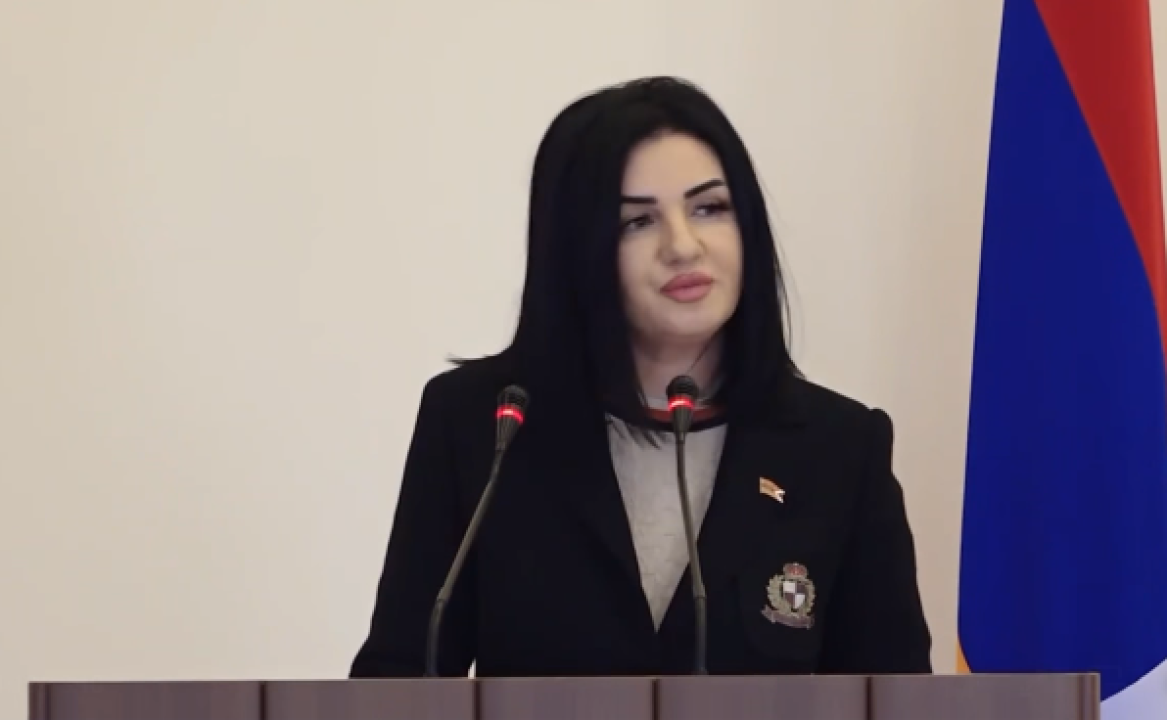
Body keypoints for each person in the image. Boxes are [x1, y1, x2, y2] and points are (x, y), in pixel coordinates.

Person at [349, 76, 932, 678]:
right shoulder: (486, 427)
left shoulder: (839, 448)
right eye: (637, 222)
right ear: (577, 249)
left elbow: (895, 698)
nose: (683, 246)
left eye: (709, 208)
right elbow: (397, 683)